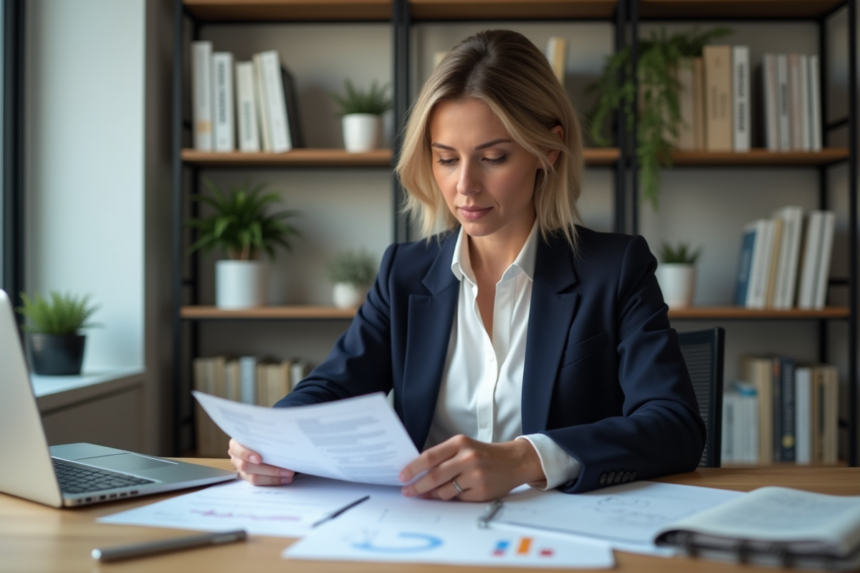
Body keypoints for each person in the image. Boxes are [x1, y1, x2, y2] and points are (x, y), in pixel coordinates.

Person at [228, 29, 705, 502]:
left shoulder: (615, 268)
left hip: (556, 529)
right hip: (426, 526)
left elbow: (674, 425)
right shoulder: (405, 272)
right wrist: (270, 436)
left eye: (493, 157)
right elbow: (334, 385)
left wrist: (523, 459)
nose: (464, 186)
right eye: (446, 159)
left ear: (548, 150)